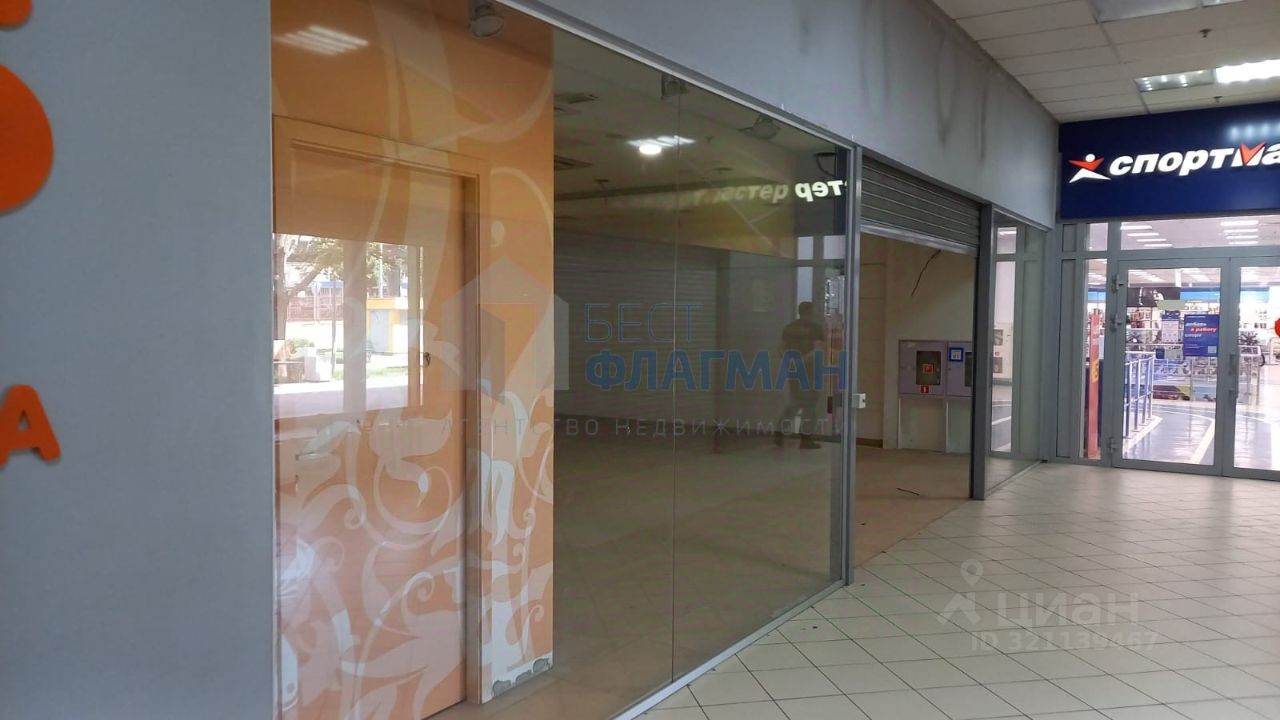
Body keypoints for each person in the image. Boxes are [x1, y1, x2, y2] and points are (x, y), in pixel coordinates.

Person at [775, 301, 826, 449]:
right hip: (809, 371)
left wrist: (790, 361)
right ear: (810, 312)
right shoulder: (815, 328)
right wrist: (801, 361)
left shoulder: (789, 328)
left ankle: (779, 432)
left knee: (795, 402)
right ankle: (806, 439)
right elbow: (817, 350)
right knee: (810, 404)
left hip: (793, 371)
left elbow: (781, 348)